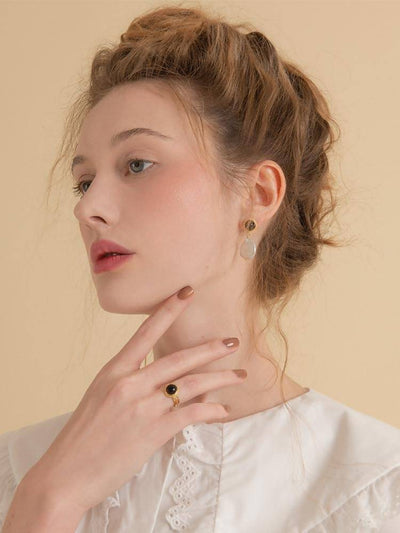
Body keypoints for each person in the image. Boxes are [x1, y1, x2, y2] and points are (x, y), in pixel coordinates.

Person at [1, 4, 399, 532]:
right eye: (84, 182)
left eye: (137, 164)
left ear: (259, 193)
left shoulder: (374, 487)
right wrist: (51, 498)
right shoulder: (19, 468)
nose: (88, 208)